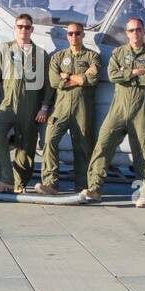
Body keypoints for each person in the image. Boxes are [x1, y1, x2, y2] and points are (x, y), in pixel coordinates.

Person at [81, 17, 145, 207]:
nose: (135, 33)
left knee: (144, 151)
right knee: (103, 144)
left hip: (141, 109)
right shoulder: (119, 52)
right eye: (131, 30)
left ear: (143, 32)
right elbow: (112, 75)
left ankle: (144, 192)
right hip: (118, 108)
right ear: (127, 33)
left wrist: (126, 73)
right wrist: (134, 73)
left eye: (138, 30)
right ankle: (95, 187)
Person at [0, 13, 50, 193]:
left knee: (27, 146)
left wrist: (44, 107)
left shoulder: (40, 54)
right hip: (7, 103)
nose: (23, 30)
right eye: (20, 26)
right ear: (15, 29)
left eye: (27, 27)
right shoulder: (4, 49)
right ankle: (6, 178)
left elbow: (48, 85)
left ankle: (19, 183)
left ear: (32, 29)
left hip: (30, 106)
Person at [39, 21, 100, 194]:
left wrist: (67, 77)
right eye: (71, 33)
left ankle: (82, 186)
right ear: (67, 36)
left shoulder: (92, 57)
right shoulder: (58, 57)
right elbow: (54, 81)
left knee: (82, 146)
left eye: (78, 33)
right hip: (61, 108)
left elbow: (91, 79)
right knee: (50, 140)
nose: (74, 36)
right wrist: (79, 78)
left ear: (83, 35)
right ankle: (51, 183)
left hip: (82, 109)